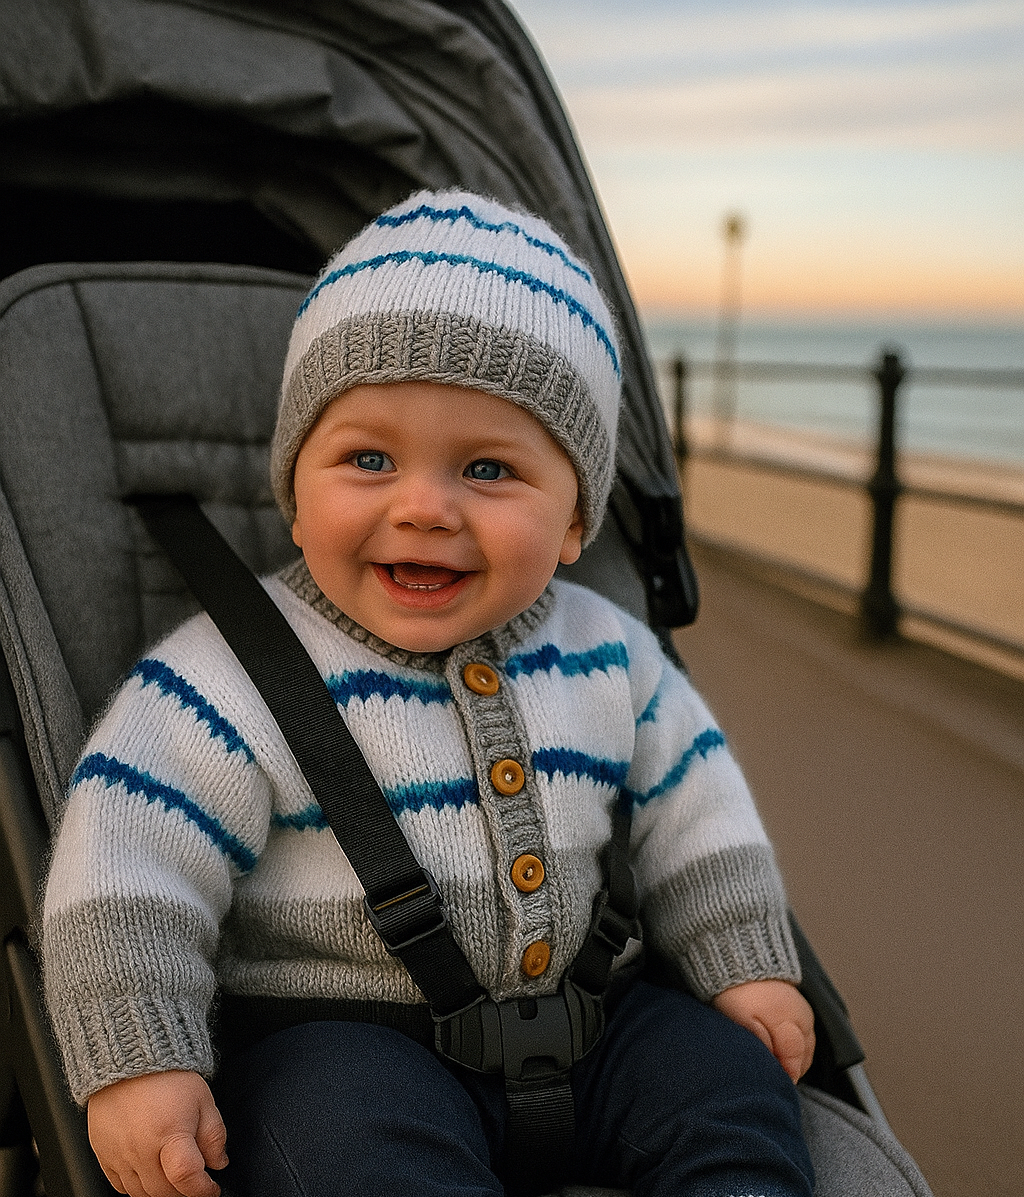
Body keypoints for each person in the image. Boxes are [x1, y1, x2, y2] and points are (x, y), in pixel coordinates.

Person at [43, 190, 816, 1197]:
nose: (422, 508)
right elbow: (128, 855)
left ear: (575, 520)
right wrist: (142, 1054)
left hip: (599, 1017)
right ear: (294, 484)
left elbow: (696, 810)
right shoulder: (224, 676)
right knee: (340, 1145)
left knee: (730, 1091)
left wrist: (741, 955)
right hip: (342, 1040)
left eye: (488, 469)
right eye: (368, 459)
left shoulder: (613, 655)